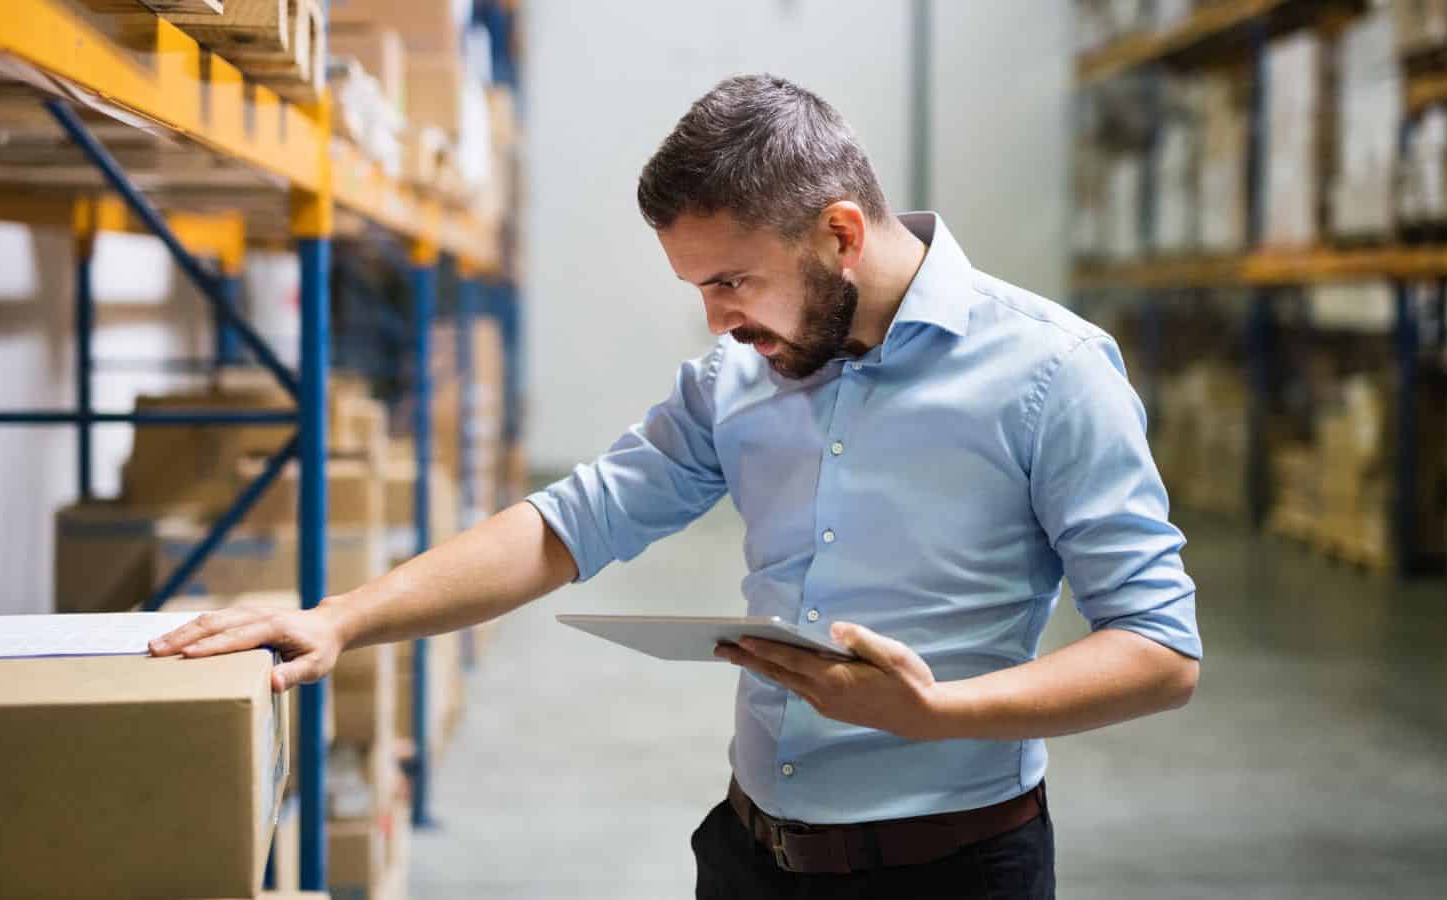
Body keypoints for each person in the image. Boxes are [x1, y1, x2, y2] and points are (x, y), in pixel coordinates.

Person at [151, 73, 1201, 899]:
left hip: (956, 868)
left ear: (838, 234)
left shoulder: (1051, 372)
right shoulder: (736, 378)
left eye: (730, 282)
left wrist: (940, 713)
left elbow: (1158, 651)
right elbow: (569, 522)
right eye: (698, 288)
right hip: (751, 856)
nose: (716, 322)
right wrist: (342, 619)